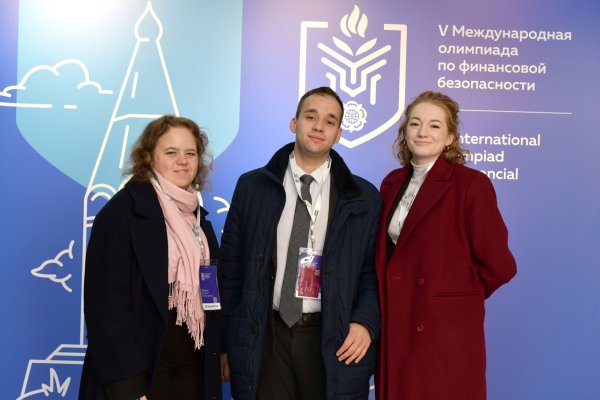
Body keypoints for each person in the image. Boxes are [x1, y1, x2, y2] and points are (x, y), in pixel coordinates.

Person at [219, 87, 381, 400]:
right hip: (267, 337)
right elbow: (231, 269)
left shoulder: (363, 197)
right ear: (294, 123)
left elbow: (371, 272)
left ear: (338, 134)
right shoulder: (252, 187)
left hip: (330, 338)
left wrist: (364, 322)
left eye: (330, 121)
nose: (319, 126)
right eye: (311, 117)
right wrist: (225, 344)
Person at [374, 91, 517, 400]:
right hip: (397, 322)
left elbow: (500, 265)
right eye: (415, 123)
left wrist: (452, 298)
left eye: (434, 125)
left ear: (450, 137)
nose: (422, 132)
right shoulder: (390, 183)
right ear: (405, 132)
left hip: (444, 332)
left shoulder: (471, 184)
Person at [79, 115, 222, 400]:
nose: (182, 161)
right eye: (171, 152)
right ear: (148, 157)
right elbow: (107, 308)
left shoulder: (198, 220)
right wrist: (128, 387)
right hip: (140, 373)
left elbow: (212, 292)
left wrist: (221, 349)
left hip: (192, 368)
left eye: (190, 153)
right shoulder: (122, 213)